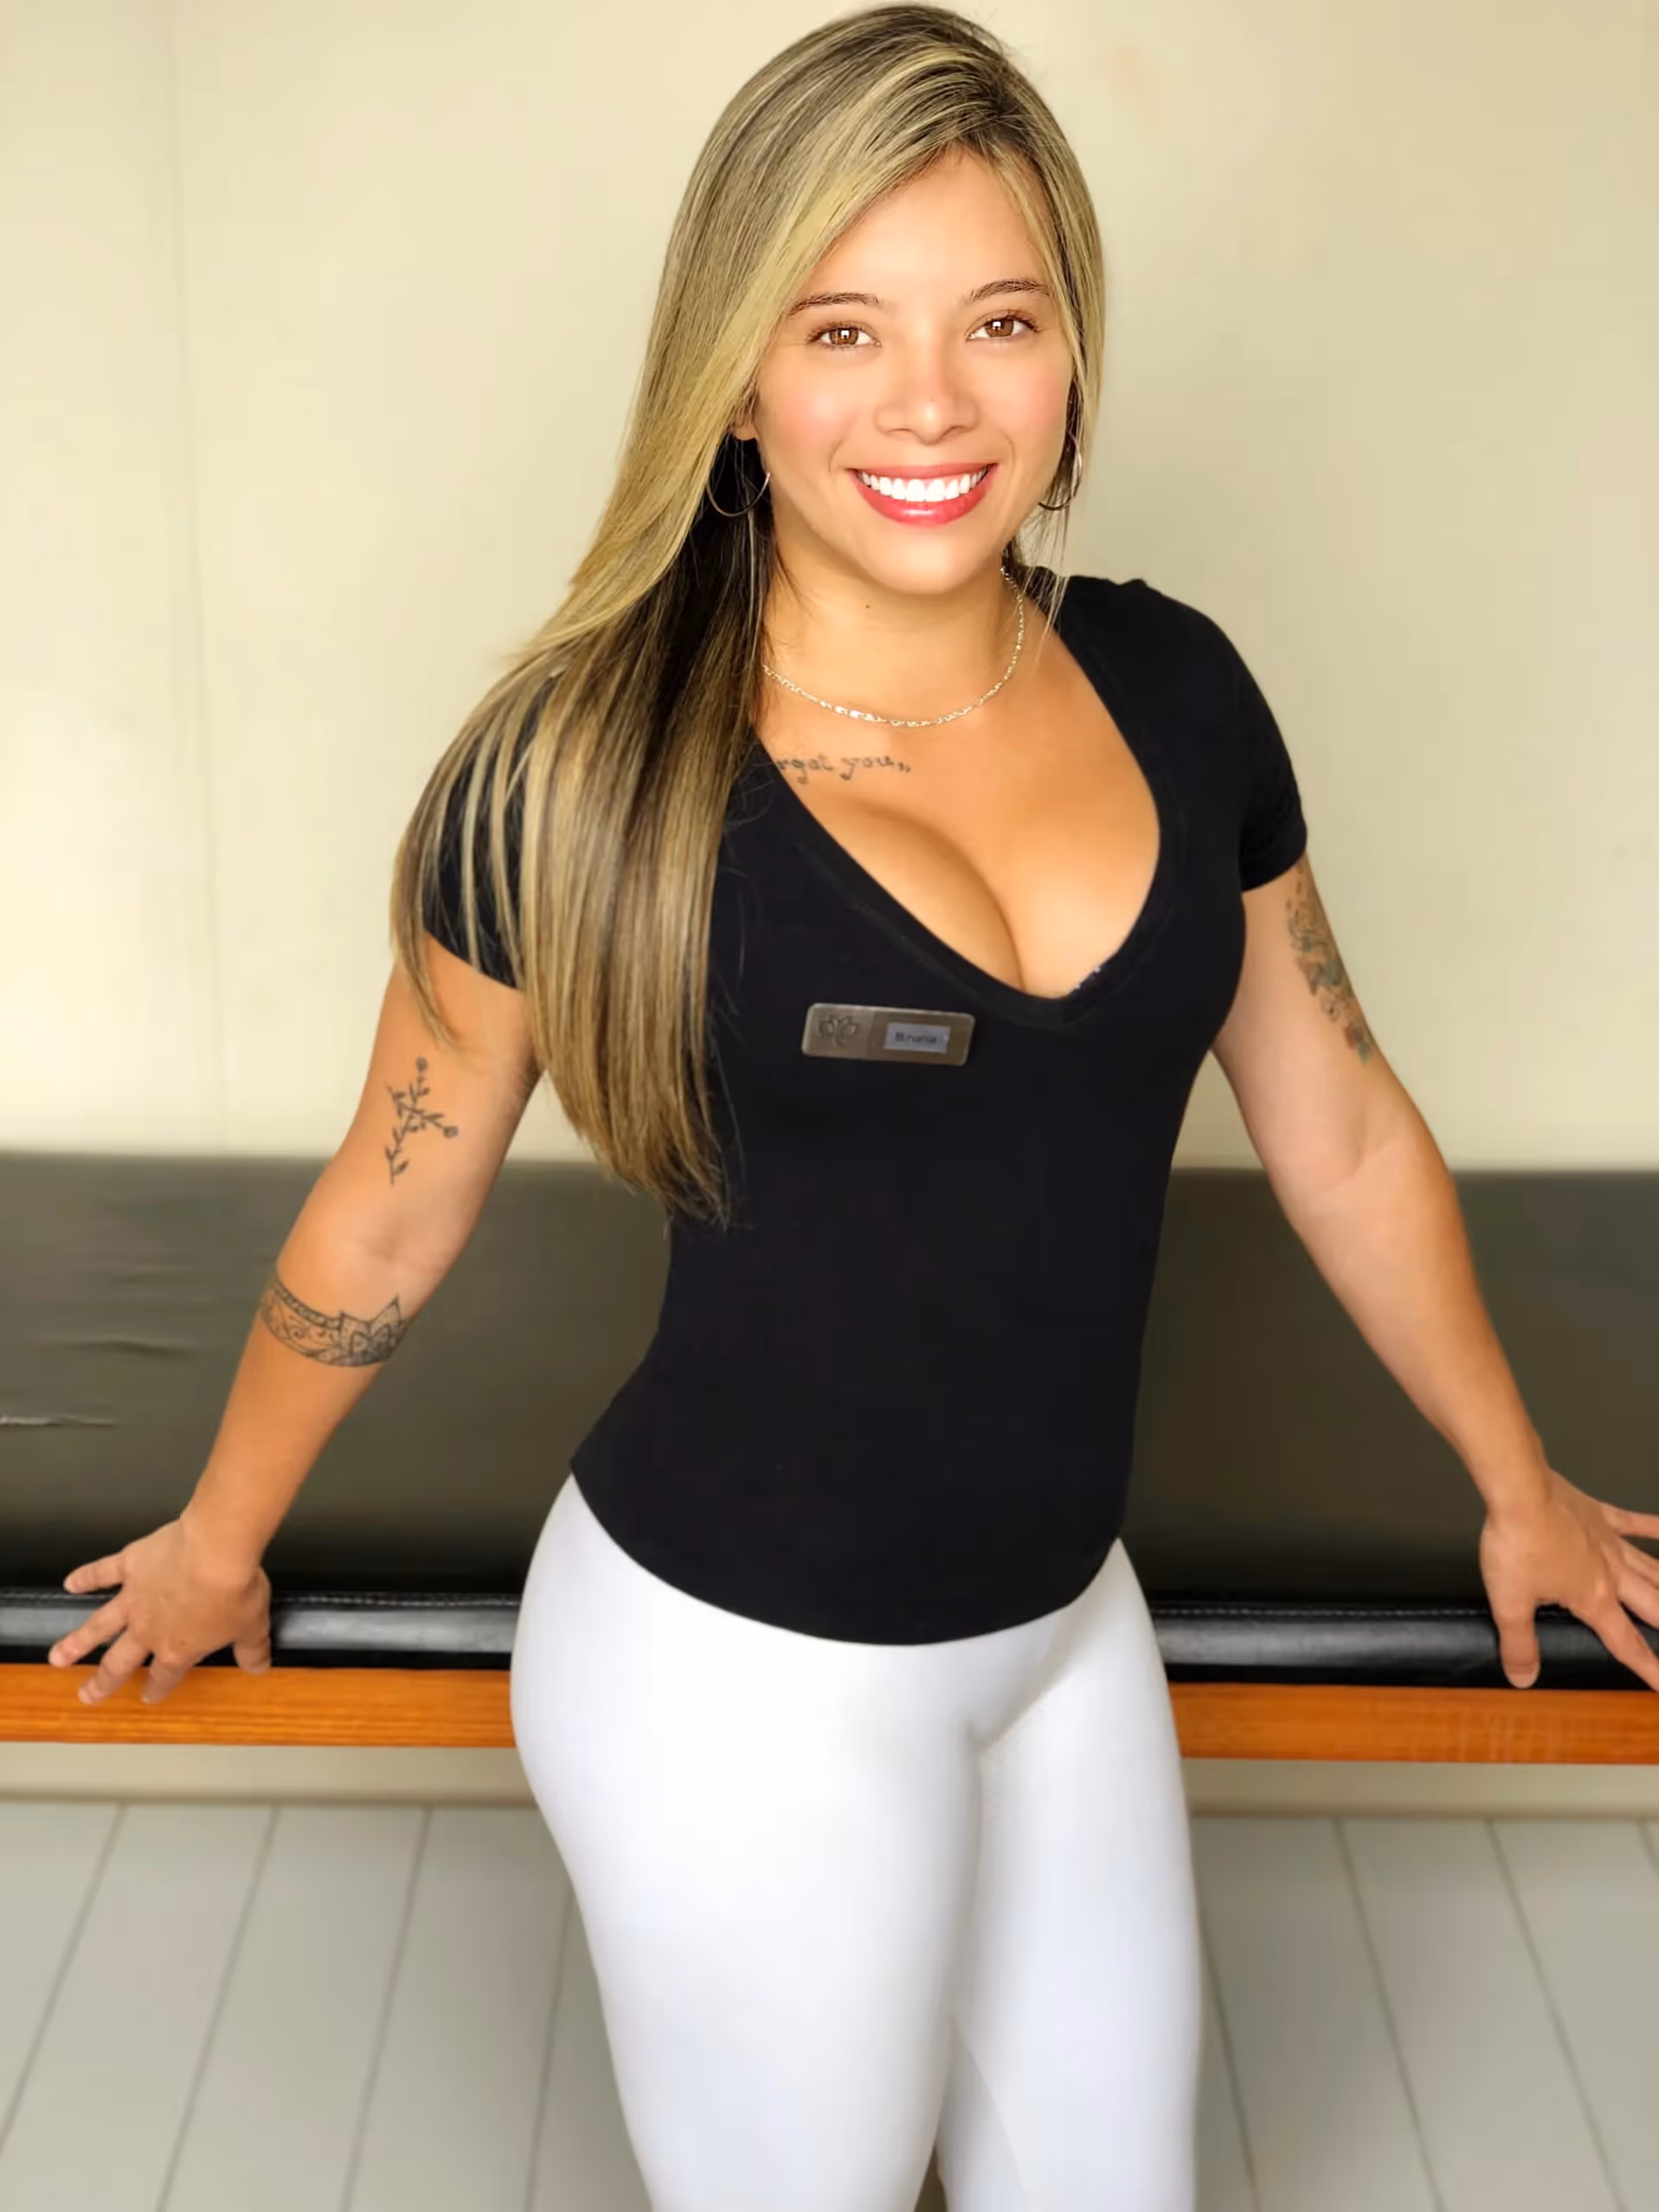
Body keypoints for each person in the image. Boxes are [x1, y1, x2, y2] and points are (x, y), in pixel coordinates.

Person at [47, 7, 1659, 2209]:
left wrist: (1517, 1483)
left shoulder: (1178, 688)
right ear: (734, 374)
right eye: (842, 330)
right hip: (737, 1676)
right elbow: (391, 1209)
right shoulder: (581, 775)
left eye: (999, 320)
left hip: (1058, 1632)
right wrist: (218, 1541)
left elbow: (1343, 1124)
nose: (930, 404)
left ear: (1069, 350)